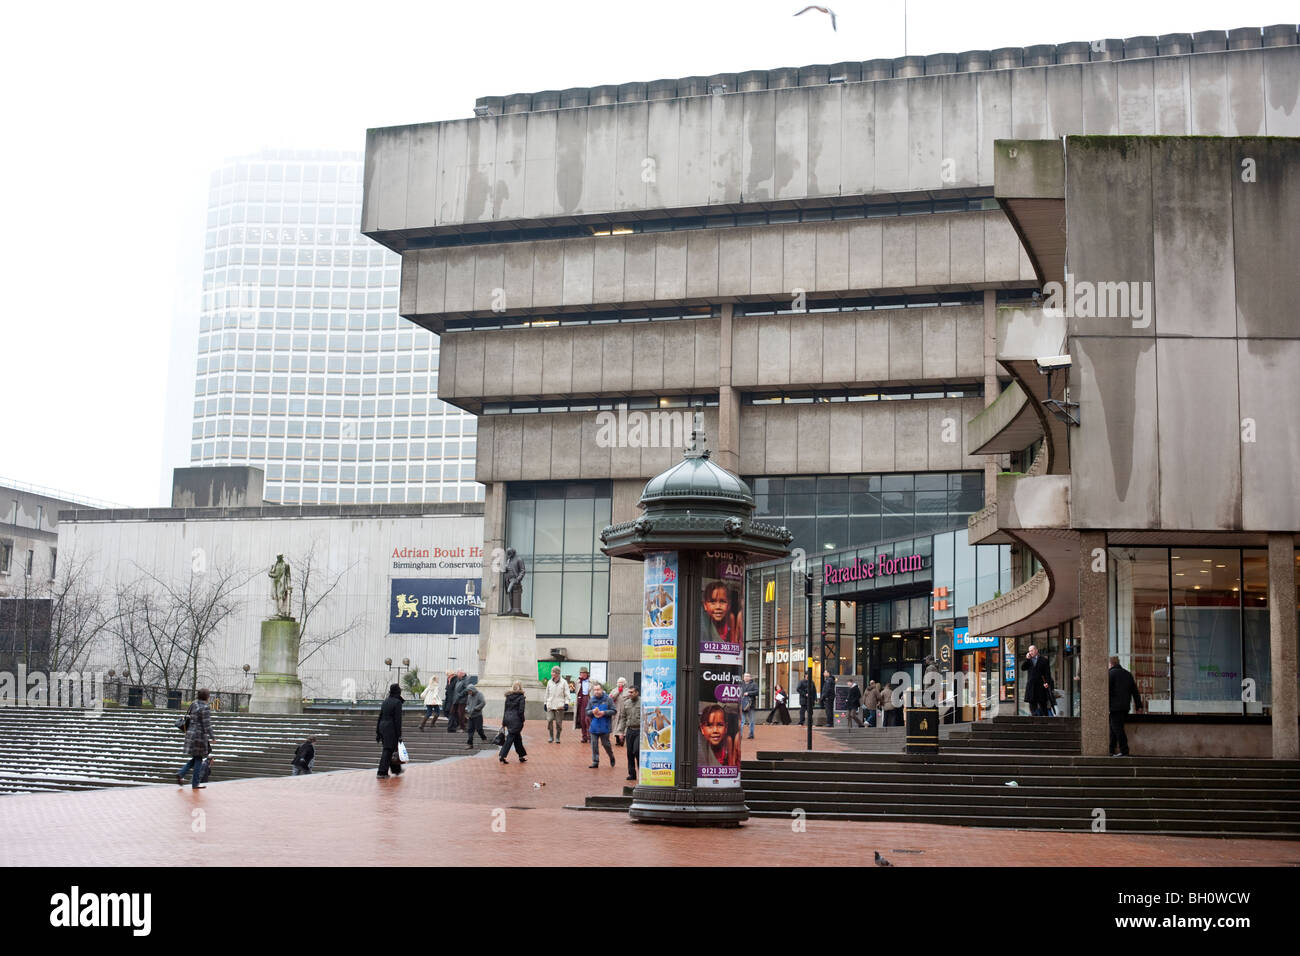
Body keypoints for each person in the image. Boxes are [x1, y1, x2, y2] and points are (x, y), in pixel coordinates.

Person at [176, 688, 216, 789]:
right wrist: (212, 737)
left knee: (196, 758)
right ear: (206, 696)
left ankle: (181, 774)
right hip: (199, 736)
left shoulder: (194, 704)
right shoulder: (205, 707)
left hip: (190, 733)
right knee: (198, 758)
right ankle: (195, 783)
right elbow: (207, 724)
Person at [1108, 655, 1144, 756]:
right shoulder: (1127, 674)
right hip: (1125, 707)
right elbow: (1135, 692)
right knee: (1113, 728)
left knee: (1117, 729)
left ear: (1110, 663)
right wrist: (1139, 706)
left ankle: (1124, 750)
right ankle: (1111, 749)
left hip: (1114, 707)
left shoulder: (1110, 674)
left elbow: (1107, 691)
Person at [376, 683, 404, 778]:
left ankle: (396, 770)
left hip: (382, 727)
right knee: (388, 750)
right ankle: (382, 772)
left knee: (390, 748)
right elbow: (397, 720)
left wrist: (378, 732)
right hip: (390, 728)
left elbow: (380, 717)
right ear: (398, 692)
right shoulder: (397, 703)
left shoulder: (385, 701)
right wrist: (399, 735)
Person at [586, 682, 616, 768]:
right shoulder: (591, 700)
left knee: (606, 744)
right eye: (595, 690)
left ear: (602, 690)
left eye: (598, 689)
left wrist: (604, 712)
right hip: (594, 727)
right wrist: (592, 712)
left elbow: (614, 711)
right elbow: (587, 712)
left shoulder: (608, 699)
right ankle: (595, 761)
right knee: (594, 745)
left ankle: (611, 756)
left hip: (605, 727)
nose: (596, 691)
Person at [499, 681, 528, 764]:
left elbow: (505, 710)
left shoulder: (508, 697)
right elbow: (521, 711)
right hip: (516, 720)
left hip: (508, 719)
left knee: (517, 738)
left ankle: (521, 756)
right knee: (510, 738)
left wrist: (504, 722)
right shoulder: (521, 697)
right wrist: (523, 720)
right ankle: (502, 755)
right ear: (520, 687)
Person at [1022, 645, 1055, 716]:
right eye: (1029, 651)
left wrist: (1047, 682)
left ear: (1036, 650)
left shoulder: (1044, 660)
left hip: (1041, 686)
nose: (1030, 652)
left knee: (1043, 705)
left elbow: (1047, 673)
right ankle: (1034, 720)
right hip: (1031, 686)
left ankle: (1044, 722)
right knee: (1032, 705)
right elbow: (1023, 668)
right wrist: (1027, 659)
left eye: (1032, 650)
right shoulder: (1029, 660)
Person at [544, 666, 569, 743]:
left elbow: (567, 694)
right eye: (552, 672)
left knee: (558, 722)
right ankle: (551, 736)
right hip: (550, 705)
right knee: (549, 719)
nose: (552, 673)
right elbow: (546, 693)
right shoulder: (549, 682)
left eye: (553, 672)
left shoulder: (564, 682)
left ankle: (557, 737)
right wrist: (545, 703)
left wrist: (566, 703)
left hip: (559, 706)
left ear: (557, 673)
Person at [621, 687, 641, 781]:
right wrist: (621, 732)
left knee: (637, 751)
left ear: (637, 693)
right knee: (630, 753)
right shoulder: (626, 703)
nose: (630, 694)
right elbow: (623, 718)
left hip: (639, 731)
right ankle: (632, 774)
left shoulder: (642, 702)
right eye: (629, 692)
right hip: (629, 730)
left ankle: (642, 772)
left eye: (632, 692)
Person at [463, 679, 487, 748]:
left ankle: (484, 738)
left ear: (473, 690)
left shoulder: (479, 694)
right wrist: (466, 709)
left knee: (479, 729)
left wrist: (476, 708)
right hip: (470, 716)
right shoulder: (469, 696)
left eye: (470, 691)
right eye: (468, 691)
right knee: (470, 730)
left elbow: (483, 702)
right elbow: (467, 704)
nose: (469, 692)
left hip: (478, 715)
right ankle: (470, 744)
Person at [740, 673, 759, 739]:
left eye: (747, 676)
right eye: (745, 676)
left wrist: (748, 693)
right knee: (742, 721)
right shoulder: (740, 684)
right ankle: (740, 735)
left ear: (750, 677)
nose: (746, 677)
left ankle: (751, 734)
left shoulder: (754, 684)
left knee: (751, 721)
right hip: (742, 705)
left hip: (751, 705)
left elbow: (757, 692)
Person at [576, 667, 592, 743]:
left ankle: (590, 736)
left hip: (589, 699)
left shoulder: (591, 681)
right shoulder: (578, 682)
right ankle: (584, 736)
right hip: (581, 700)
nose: (582, 675)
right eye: (581, 673)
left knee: (588, 719)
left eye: (583, 673)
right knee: (582, 719)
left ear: (587, 674)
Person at [610, 677, 628, 746]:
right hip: (616, 711)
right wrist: (618, 691)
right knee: (616, 726)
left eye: (621, 682)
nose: (620, 684)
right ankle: (617, 740)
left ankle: (622, 740)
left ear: (624, 683)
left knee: (623, 726)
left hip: (624, 711)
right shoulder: (614, 690)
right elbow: (611, 698)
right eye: (619, 682)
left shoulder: (627, 690)